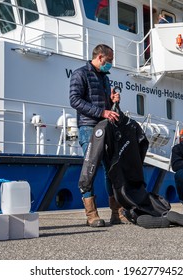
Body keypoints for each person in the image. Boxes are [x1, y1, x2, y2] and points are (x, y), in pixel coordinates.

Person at [69, 44, 129, 227]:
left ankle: (116, 212)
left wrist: (112, 102)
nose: (111, 63)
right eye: (109, 60)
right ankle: (91, 214)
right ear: (100, 57)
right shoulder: (80, 74)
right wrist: (102, 112)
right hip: (88, 127)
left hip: (106, 127)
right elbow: (74, 100)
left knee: (112, 168)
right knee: (90, 169)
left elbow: (104, 107)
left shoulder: (104, 77)